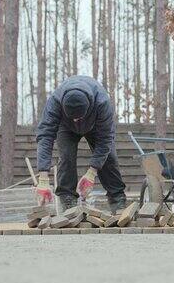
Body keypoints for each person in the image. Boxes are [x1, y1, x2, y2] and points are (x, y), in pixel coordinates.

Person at [35, 75, 127, 213]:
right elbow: (45, 136)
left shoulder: (102, 102)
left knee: (109, 158)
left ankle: (117, 200)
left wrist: (91, 173)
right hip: (65, 127)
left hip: (95, 125)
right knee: (66, 157)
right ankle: (67, 200)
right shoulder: (55, 101)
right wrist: (43, 178)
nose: (76, 120)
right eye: (74, 117)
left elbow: (106, 139)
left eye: (79, 117)